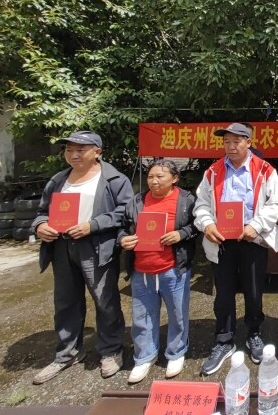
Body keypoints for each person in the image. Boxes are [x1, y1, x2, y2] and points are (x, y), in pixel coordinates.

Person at [32, 130, 132, 384]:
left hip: (96, 246)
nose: (73, 155)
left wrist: (93, 225)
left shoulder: (114, 179)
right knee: (66, 301)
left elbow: (126, 211)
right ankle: (67, 353)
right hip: (62, 247)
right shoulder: (58, 180)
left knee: (104, 299)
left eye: (80, 150)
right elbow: (42, 211)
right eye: (69, 150)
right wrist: (40, 225)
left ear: (97, 152)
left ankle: (111, 350)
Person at [193, 123, 278, 375]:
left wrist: (256, 225)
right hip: (221, 240)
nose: (231, 147)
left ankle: (254, 332)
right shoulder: (213, 172)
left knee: (254, 290)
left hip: (251, 238)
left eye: (236, 141)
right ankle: (224, 339)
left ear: (248, 142)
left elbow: (275, 204)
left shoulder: (265, 170)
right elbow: (201, 204)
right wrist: (207, 224)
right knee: (223, 292)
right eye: (227, 142)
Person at [118, 159, 198, 384]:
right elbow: (123, 227)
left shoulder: (186, 200)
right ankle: (144, 355)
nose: (153, 181)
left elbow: (196, 225)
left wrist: (181, 234)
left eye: (160, 176)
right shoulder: (137, 201)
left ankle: (176, 352)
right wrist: (123, 239)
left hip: (173, 268)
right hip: (142, 269)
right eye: (150, 176)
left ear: (174, 178)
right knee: (142, 315)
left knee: (177, 313)